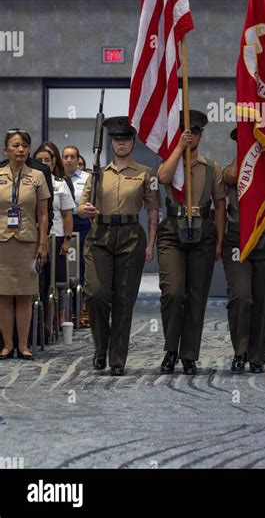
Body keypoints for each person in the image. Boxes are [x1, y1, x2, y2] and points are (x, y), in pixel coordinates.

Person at [78, 117, 160, 376]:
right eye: (116, 139)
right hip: (100, 235)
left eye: (125, 138)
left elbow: (153, 210)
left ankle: (117, 359)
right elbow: (81, 207)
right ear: (111, 143)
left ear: (132, 142)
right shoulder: (97, 173)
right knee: (96, 294)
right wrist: (84, 210)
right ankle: (101, 347)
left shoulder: (146, 173)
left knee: (124, 301)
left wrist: (151, 245)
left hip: (131, 236)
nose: (121, 142)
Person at [157, 110, 226, 375]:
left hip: (203, 232)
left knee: (197, 296)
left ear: (201, 135)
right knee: (173, 292)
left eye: (195, 132)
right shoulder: (171, 163)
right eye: (187, 130)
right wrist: (179, 147)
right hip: (173, 231)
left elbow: (220, 206)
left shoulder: (211, 168)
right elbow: (163, 177)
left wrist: (219, 240)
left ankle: (189, 354)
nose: (192, 135)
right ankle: (171, 349)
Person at [221, 127, 265, 374]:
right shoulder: (233, 168)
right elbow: (231, 176)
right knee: (241, 296)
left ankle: (257, 356)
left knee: (264, 300)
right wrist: (245, 152)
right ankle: (240, 352)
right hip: (238, 240)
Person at [0, 131, 50, 360]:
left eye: (24, 146)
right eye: (15, 145)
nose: (21, 149)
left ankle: (24, 345)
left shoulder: (38, 175)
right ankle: (7, 345)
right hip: (2, 242)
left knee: (25, 295)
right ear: (6, 150)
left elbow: (43, 214)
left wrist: (43, 244)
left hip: (28, 241)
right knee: (3, 295)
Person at [33, 142, 75, 327]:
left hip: (56, 237)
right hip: (32, 237)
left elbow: (67, 215)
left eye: (47, 160)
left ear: (53, 162)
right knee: (37, 282)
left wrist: (67, 240)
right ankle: (36, 323)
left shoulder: (60, 183)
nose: (43, 162)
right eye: (39, 160)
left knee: (54, 283)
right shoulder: (29, 181)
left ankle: (51, 323)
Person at [62, 145, 91, 287]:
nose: (69, 160)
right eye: (66, 157)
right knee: (63, 264)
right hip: (60, 224)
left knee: (81, 262)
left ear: (78, 159)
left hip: (82, 224)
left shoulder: (87, 178)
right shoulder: (56, 178)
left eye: (72, 157)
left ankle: (82, 301)